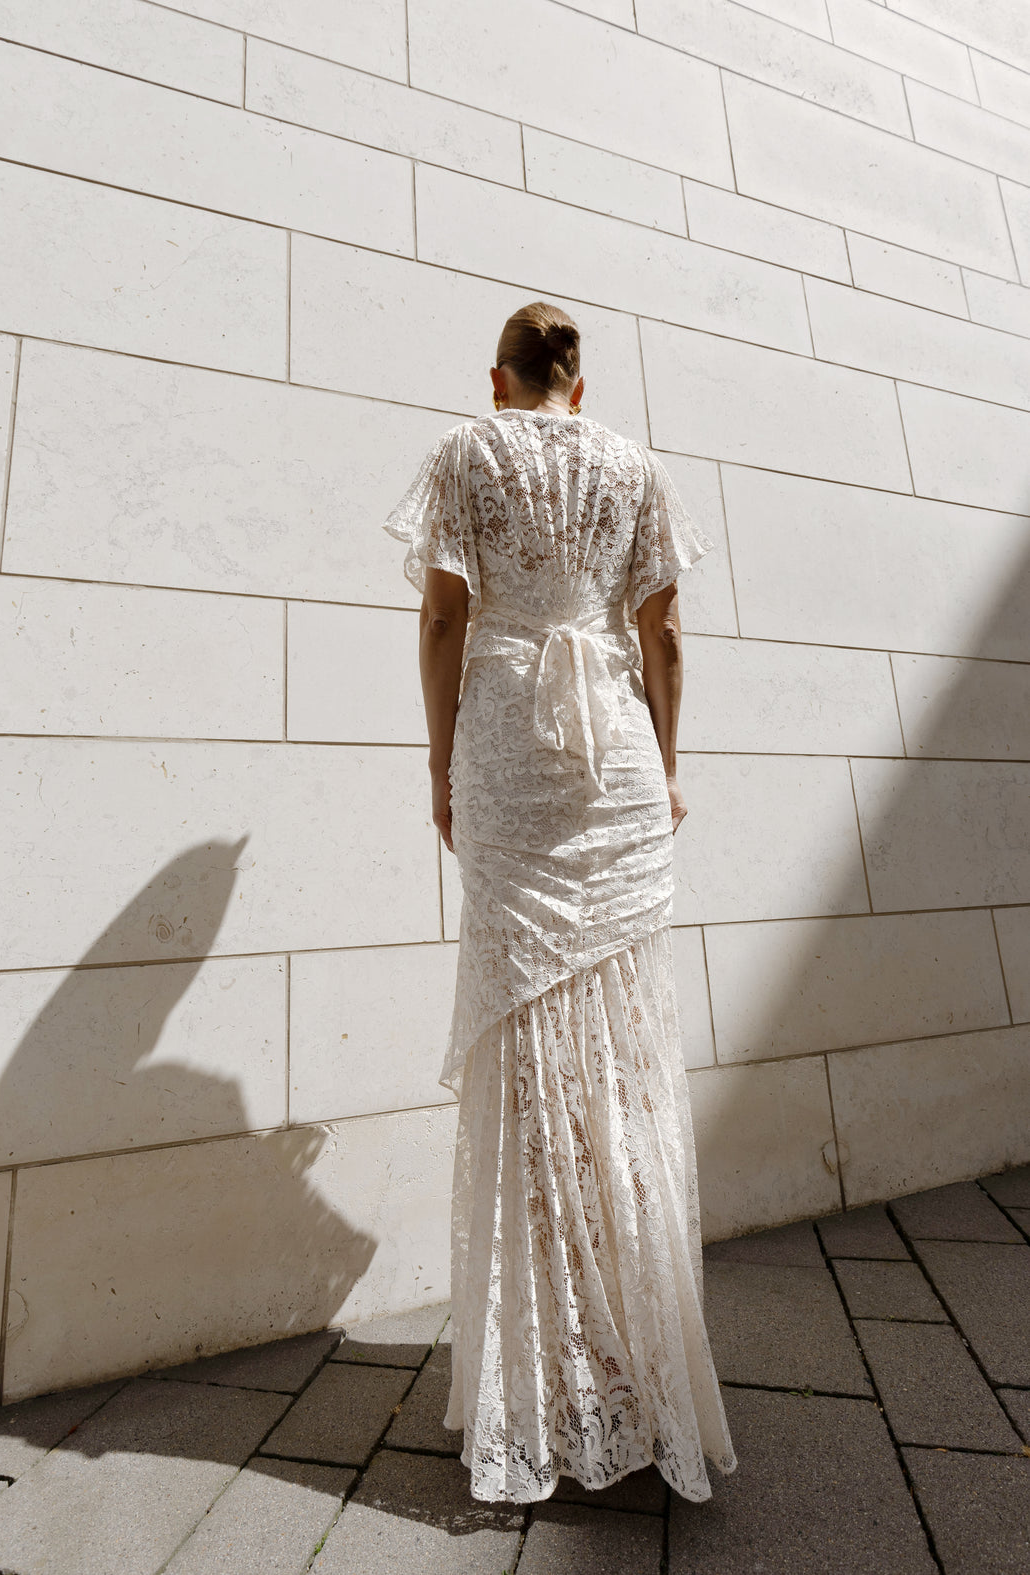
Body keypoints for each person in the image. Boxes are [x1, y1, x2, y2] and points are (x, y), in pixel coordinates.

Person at [383, 301, 737, 1505]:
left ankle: (543, 1374)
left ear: (501, 378)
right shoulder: (635, 467)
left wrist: (438, 767)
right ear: (577, 388)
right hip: (616, 766)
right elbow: (666, 636)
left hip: (508, 758)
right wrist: (667, 766)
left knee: (532, 1057)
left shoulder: (465, 451)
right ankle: (636, 1362)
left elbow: (443, 618)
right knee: (625, 1059)